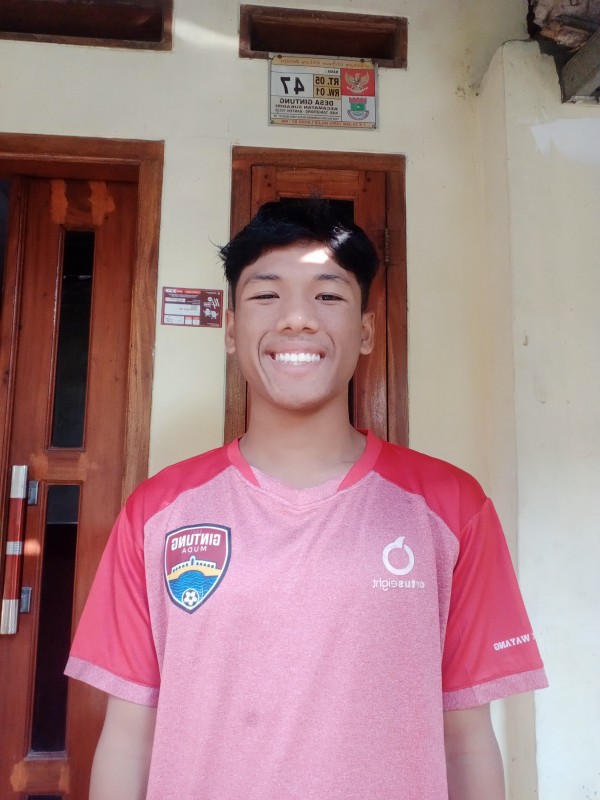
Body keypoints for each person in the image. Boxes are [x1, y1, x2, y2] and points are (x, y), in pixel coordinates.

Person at [66, 200, 547, 800]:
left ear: (365, 331)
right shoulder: (157, 512)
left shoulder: (451, 509)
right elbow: (128, 739)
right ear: (231, 330)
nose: (297, 318)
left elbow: (468, 741)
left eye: (327, 295)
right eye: (267, 295)